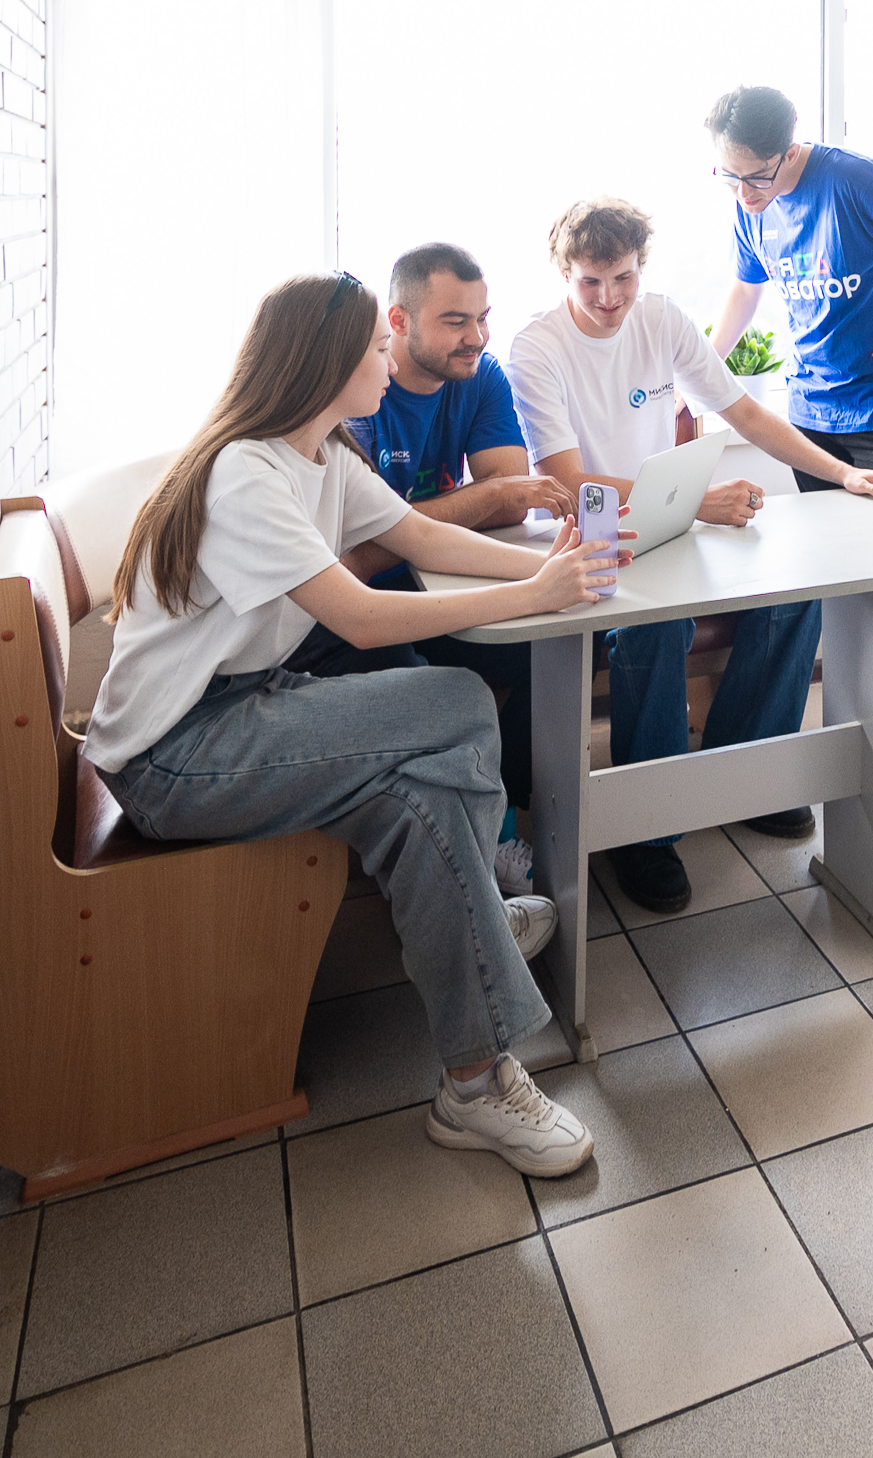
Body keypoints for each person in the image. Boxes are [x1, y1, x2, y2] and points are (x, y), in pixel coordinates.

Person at [81, 270, 621, 1176]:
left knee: (421, 804)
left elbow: (421, 537)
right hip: (172, 758)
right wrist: (533, 593)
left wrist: (548, 568)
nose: (388, 359)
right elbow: (360, 619)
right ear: (329, 362)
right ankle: (484, 927)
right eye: (376, 346)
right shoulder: (246, 473)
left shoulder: (323, 455)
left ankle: (473, 1086)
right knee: (459, 702)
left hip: (246, 709)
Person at [505, 198, 873, 914]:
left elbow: (746, 413)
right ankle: (648, 830)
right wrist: (699, 501)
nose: (609, 299)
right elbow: (568, 482)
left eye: (623, 278)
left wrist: (843, 474)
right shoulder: (536, 347)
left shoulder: (662, 319)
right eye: (590, 283)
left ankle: (746, 776)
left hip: (668, 528)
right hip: (592, 541)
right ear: (563, 274)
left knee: (795, 591)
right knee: (655, 626)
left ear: (641, 267)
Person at [701, 86, 873, 841]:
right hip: (809, 419)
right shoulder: (749, 202)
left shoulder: (855, 181)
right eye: (729, 176)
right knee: (823, 582)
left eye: (756, 176)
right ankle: (829, 744)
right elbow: (745, 290)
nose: (744, 193)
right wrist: (699, 373)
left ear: (788, 148)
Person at [285, 243, 568, 835]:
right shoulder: (353, 403)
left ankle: (506, 812)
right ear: (398, 323)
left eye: (483, 318)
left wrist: (547, 570)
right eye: (456, 321)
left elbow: (493, 502)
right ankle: (480, 830)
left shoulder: (479, 375)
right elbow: (355, 563)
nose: (478, 338)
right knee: (437, 692)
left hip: (432, 587)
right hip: (348, 616)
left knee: (559, 650)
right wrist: (486, 503)